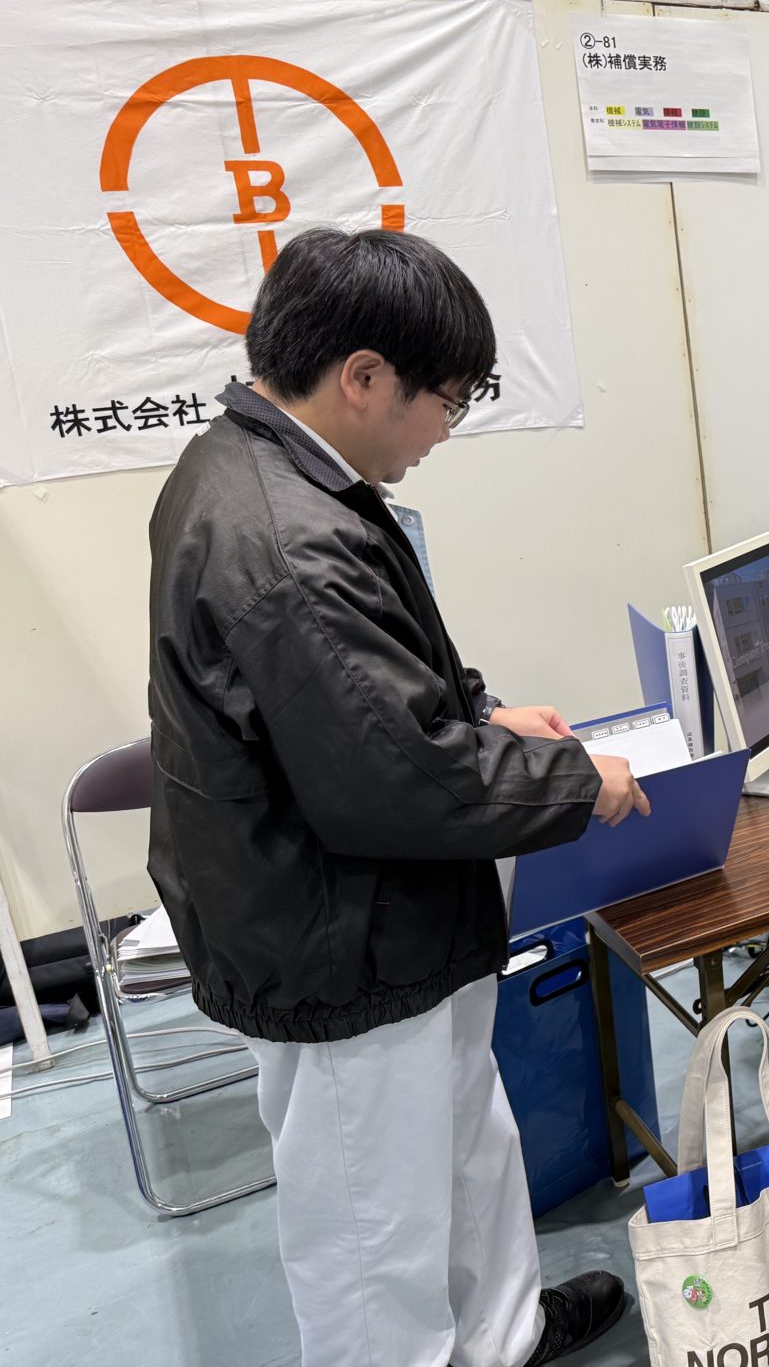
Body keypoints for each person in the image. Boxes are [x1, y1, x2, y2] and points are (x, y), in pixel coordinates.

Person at [147, 228, 645, 1367]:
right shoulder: (285, 536)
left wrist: (482, 713)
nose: (446, 432)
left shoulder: (277, 466)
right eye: (449, 402)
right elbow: (399, 776)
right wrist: (583, 781)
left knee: (463, 1146)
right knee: (374, 1233)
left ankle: (503, 1339)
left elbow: (366, 683)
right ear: (365, 376)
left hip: (384, 914)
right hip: (339, 936)